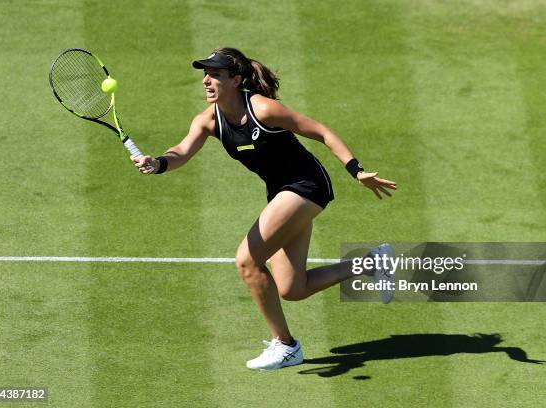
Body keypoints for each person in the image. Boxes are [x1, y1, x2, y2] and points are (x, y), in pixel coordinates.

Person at [132, 47, 397, 371]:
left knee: (246, 260)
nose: (206, 80)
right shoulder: (208, 121)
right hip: (281, 193)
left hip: (306, 185)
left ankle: (286, 346)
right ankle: (372, 262)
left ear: (236, 80)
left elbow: (322, 132)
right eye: (205, 73)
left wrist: (356, 170)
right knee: (292, 289)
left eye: (215, 74)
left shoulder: (263, 109)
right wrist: (157, 163)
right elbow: (182, 152)